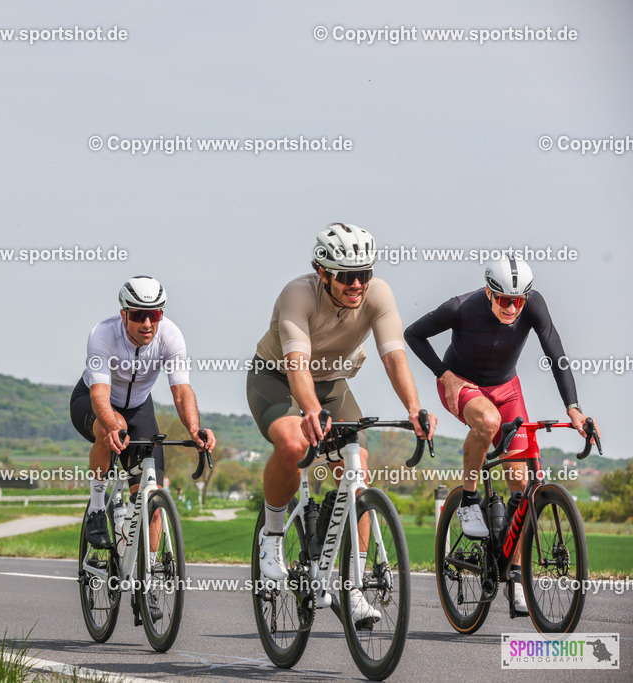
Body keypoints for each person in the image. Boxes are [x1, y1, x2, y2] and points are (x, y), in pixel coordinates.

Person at [247, 223, 436, 627]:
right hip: (277, 378)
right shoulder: (298, 294)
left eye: (364, 274)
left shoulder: (378, 294)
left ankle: (353, 585)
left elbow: (393, 357)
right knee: (294, 444)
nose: (357, 284)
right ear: (322, 272)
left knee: (357, 473)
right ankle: (273, 537)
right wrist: (310, 412)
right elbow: (297, 365)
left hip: (332, 383)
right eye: (347, 276)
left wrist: (415, 408)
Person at [405, 255, 595, 615]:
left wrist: (573, 407)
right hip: (462, 386)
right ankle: (468, 501)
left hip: (507, 389)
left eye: (518, 301)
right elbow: (412, 334)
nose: (511, 308)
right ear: (490, 293)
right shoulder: (461, 307)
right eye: (504, 300)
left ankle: (517, 575)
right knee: (488, 422)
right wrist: (445, 375)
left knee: (521, 487)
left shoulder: (533, 304)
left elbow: (555, 352)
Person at [71, 276, 216, 544]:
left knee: (150, 498)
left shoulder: (171, 335)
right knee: (110, 427)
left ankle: (146, 578)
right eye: (139, 315)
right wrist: (114, 426)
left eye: (155, 314)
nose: (148, 324)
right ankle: (97, 508)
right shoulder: (102, 334)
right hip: (94, 401)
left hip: (139, 409)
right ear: (124, 314)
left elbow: (182, 392)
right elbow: (100, 393)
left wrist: (195, 429)